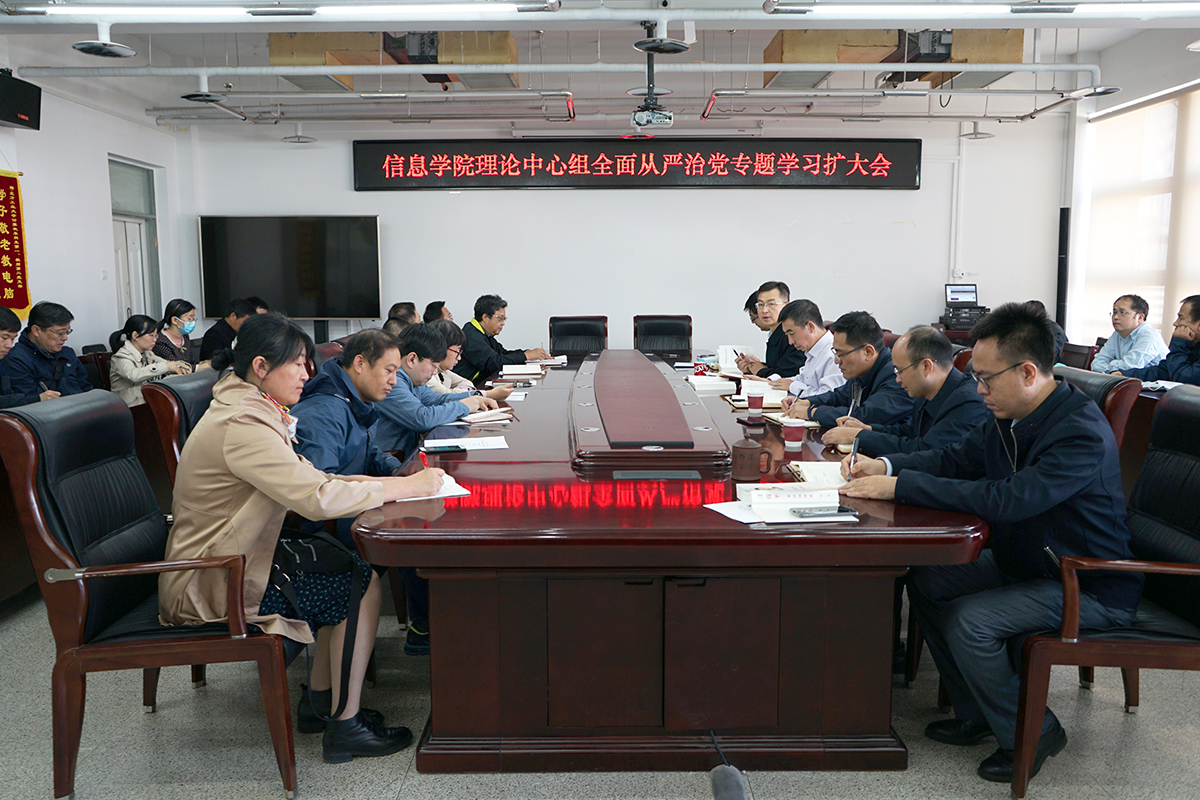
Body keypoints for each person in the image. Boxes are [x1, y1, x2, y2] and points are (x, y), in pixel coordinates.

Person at [839, 302, 1142, 785]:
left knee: (970, 620)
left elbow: (1009, 499)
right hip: (1034, 563)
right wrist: (888, 466)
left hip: (1087, 581)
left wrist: (901, 487)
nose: (977, 389)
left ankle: (1033, 730)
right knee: (930, 580)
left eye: (985, 379)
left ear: (1027, 373)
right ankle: (978, 710)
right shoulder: (1011, 413)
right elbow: (955, 458)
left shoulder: (1078, 433)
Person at [159, 313, 445, 763]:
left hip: (238, 553)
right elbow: (315, 497)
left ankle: (321, 703)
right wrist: (405, 488)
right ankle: (345, 724)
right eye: (296, 364)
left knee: (348, 571)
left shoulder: (255, 407)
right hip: (216, 575)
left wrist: (394, 484)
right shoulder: (243, 423)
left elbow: (313, 477)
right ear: (260, 366)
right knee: (357, 583)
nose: (307, 374)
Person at [822, 325, 988, 456]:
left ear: (926, 367)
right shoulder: (927, 389)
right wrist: (867, 429)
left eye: (900, 370)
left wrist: (859, 436)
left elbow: (926, 451)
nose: (897, 379)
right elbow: (908, 432)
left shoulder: (968, 402)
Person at [376, 322, 499, 454]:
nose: (435, 372)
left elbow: (437, 400)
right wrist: (464, 406)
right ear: (412, 359)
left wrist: (475, 398)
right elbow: (422, 418)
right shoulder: (393, 383)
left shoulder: (413, 381)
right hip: (394, 459)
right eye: (433, 365)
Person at [782, 311, 913, 428]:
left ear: (868, 352)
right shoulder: (862, 371)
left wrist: (811, 413)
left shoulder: (896, 376)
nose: (836, 361)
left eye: (841, 354)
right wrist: (807, 402)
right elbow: (839, 396)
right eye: (835, 353)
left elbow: (866, 416)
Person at [3, 300, 93, 397]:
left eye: (67, 332)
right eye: (60, 333)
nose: (65, 337)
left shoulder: (67, 353)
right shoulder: (16, 360)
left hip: (82, 404)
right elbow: (31, 401)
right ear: (36, 330)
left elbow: (85, 388)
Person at [453, 294, 550, 383]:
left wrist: (530, 355)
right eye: (500, 319)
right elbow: (494, 363)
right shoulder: (471, 335)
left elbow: (503, 354)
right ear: (485, 317)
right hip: (466, 388)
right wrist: (525, 356)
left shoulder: (482, 333)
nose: (503, 323)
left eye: (504, 319)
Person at [108, 314, 191, 406]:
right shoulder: (121, 356)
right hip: (129, 407)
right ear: (135, 335)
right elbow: (133, 375)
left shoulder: (147, 353)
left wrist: (178, 365)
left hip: (146, 402)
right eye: (151, 335)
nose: (155, 340)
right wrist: (167, 366)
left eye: (156, 336)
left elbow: (164, 363)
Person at [1118, 295, 1200, 385]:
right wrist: (1125, 375)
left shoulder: (1182, 344)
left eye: (1181, 318)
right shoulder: (1191, 345)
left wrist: (1179, 345)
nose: (1175, 323)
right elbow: (1163, 371)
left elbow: (1184, 379)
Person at [735, 281, 806, 384]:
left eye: (771, 304)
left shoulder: (793, 335)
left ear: (786, 305)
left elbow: (789, 376)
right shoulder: (775, 333)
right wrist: (753, 367)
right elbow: (777, 368)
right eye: (760, 304)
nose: (764, 310)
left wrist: (760, 370)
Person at [426, 318, 512, 401]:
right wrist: (490, 394)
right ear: (441, 348)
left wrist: (458, 391)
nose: (459, 357)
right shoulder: (426, 375)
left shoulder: (443, 370)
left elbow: (467, 383)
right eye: (456, 351)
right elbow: (449, 396)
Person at [776, 299, 844, 400]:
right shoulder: (813, 349)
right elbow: (802, 379)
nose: (790, 341)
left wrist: (792, 386)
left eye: (792, 334)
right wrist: (771, 382)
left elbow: (828, 397)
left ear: (810, 327)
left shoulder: (833, 354)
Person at [1090, 294, 1169, 373]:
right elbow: (1096, 364)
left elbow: (1130, 367)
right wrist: (1115, 367)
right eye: (1114, 312)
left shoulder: (1149, 336)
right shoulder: (1117, 335)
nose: (1115, 317)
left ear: (1140, 317)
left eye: (1123, 312)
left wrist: (1110, 364)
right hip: (1123, 379)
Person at [0, 306, 59, 407]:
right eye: (4, 338)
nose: (9, 345)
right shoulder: (14, 359)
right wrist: (37, 399)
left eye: (13, 339)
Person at [154, 298, 199, 366]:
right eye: (189, 319)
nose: (192, 322)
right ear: (174, 320)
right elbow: (176, 367)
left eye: (193, 319)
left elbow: (191, 361)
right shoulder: (161, 341)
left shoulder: (185, 336)